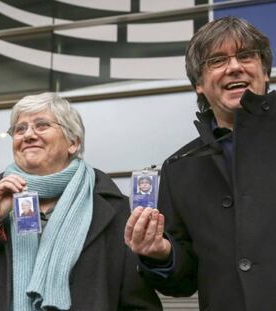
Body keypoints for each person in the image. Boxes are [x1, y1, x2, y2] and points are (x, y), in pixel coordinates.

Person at [0, 92, 162, 310]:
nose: (28, 135)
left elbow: (139, 302)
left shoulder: (112, 207)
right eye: (20, 129)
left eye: (42, 125)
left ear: (73, 143)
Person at [124, 16, 276, 311]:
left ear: (264, 71)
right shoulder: (179, 168)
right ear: (199, 85)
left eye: (245, 56)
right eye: (217, 61)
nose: (234, 67)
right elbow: (183, 282)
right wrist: (160, 254)